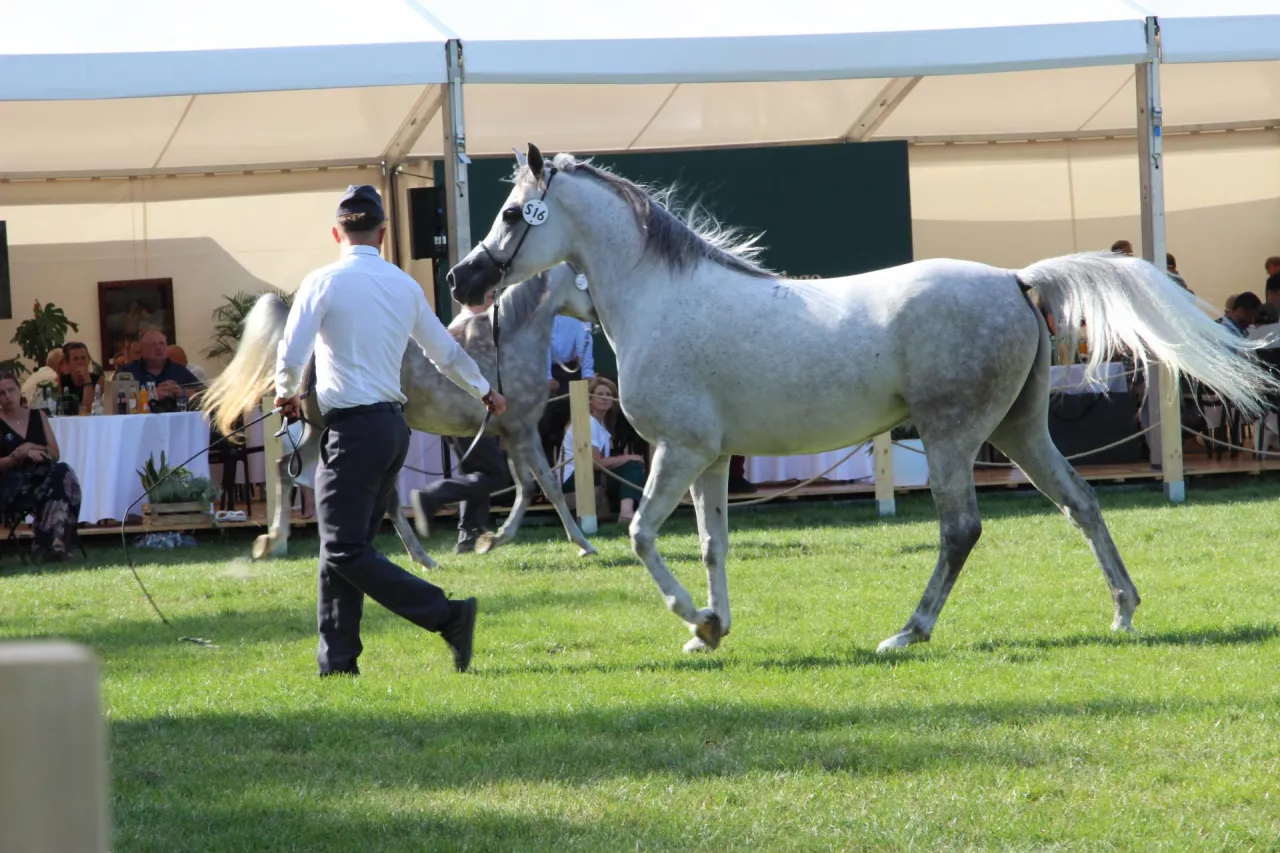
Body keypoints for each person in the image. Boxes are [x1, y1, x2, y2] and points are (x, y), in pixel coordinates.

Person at [274, 184, 507, 677]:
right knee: (342, 545)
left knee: (341, 547)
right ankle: (337, 664)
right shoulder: (404, 285)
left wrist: (286, 393)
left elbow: (293, 354)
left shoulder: (321, 281)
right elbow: (444, 354)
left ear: (336, 232)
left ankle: (449, 616)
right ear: (382, 233)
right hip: (391, 430)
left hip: (352, 431)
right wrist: (484, 389)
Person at [410, 291, 512, 554]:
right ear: (481, 301)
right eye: (491, 297)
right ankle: (432, 495)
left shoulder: (461, 327)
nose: (494, 303)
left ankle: (469, 534)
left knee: (476, 474)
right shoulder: (470, 328)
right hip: (468, 412)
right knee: (496, 475)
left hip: (466, 412)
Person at [0, 372, 83, 561]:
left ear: (19, 390)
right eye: (1, 393)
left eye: (11, 390)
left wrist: (29, 447)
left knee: (62, 470)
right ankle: (54, 542)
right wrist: (18, 455)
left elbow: (54, 453)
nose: (7, 396)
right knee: (63, 480)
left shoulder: (38, 415)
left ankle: (50, 543)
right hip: (15, 483)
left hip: (45, 476)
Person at [561, 376, 645, 524]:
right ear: (589, 400)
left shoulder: (602, 425)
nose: (605, 398)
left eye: (609, 395)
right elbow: (594, 463)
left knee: (632, 468)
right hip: (574, 479)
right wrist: (628, 458)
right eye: (599, 394)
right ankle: (626, 514)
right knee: (632, 464)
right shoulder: (588, 422)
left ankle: (627, 513)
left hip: (592, 476)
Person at [538, 314, 595, 474]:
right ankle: (545, 475)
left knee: (575, 419)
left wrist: (587, 374)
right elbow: (542, 345)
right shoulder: (542, 312)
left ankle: (574, 474)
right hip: (543, 370)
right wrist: (547, 377)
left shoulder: (577, 313)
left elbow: (584, 342)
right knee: (543, 423)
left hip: (571, 371)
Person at [121, 329, 200, 411]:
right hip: (140, 422)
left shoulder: (179, 371)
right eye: (153, 344)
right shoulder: (127, 372)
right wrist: (152, 395)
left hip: (176, 421)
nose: (158, 347)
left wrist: (182, 393)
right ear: (142, 349)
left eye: (162, 344)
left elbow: (205, 397)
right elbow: (118, 403)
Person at [59, 341, 103, 410]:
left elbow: (88, 408)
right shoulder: (62, 380)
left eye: (83, 358)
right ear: (68, 363)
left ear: (88, 360)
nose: (80, 362)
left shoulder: (98, 380)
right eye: (75, 359)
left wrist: (87, 379)